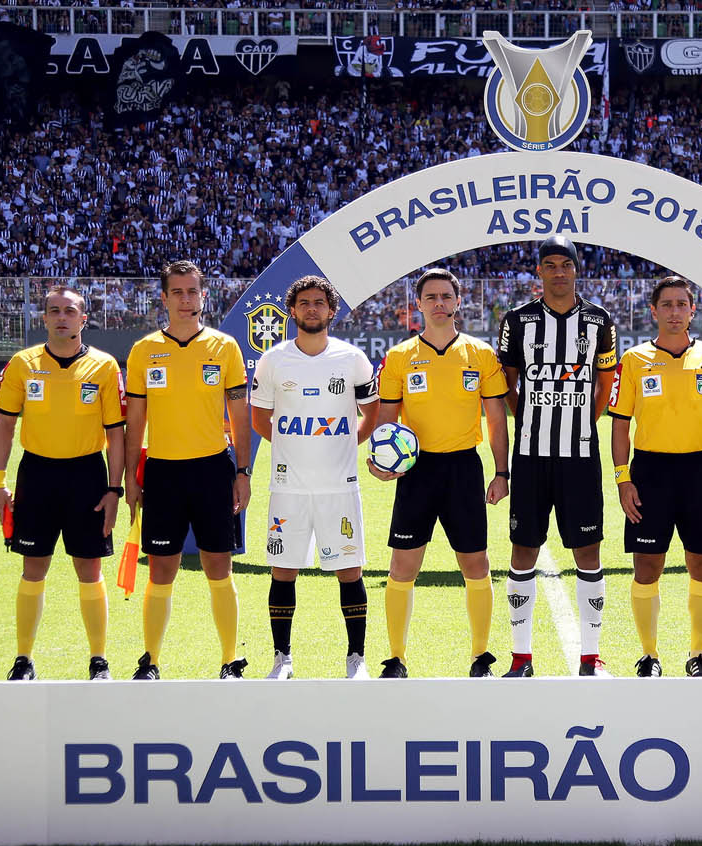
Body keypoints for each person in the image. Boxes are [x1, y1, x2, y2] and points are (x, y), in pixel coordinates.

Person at [369, 268, 510, 678]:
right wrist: (380, 460)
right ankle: (396, 657)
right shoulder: (398, 357)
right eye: (431, 297)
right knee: (402, 567)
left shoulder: (480, 354)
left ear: (458, 301)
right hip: (417, 470)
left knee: (475, 563)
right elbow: (386, 419)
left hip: (463, 467)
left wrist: (502, 472)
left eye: (446, 296)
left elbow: (496, 419)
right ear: (418, 304)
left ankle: (480, 656)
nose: (439, 303)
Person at [123, 260, 252, 680]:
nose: (184, 299)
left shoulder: (224, 347)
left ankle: (230, 660)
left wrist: (243, 472)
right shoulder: (144, 351)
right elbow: (135, 422)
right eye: (176, 292)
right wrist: (129, 475)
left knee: (219, 566)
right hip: (162, 472)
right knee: (162, 569)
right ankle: (151, 660)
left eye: (191, 291)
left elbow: (239, 414)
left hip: (214, 470)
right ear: (163, 298)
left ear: (203, 296)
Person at [497, 236, 618, 677]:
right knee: (522, 551)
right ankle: (521, 658)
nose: (558, 272)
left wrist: (583, 420)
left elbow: (605, 385)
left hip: (580, 456)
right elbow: (508, 385)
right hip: (530, 456)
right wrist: (528, 418)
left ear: (575, 269)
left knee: (588, 552)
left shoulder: (599, 320)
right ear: (539, 273)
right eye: (549, 265)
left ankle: (590, 656)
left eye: (565, 264)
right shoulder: (517, 320)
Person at [0, 286, 125, 680]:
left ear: (84, 319)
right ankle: (23, 659)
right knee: (34, 567)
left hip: (87, 475)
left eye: (70, 311)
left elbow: (116, 434)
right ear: (44, 318)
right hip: (37, 474)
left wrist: (113, 490)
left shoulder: (103, 367)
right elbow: (4, 427)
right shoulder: (22, 364)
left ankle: (98, 660)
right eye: (54, 311)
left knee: (89, 567)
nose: (62, 317)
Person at [249, 275, 379, 680]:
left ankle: (356, 658)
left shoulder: (352, 359)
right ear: (292, 310)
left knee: (350, 570)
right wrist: (292, 447)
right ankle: (281, 658)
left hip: (339, 487)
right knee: (283, 570)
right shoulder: (274, 360)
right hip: (288, 487)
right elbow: (258, 419)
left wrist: (344, 447)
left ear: (331, 310)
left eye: (319, 303)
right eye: (303, 302)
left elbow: (370, 414)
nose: (311, 309)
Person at [609, 276, 702, 678]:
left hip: (701, 470)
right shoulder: (634, 360)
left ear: (693, 310)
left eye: (682, 304)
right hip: (650, 472)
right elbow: (619, 426)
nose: (674, 311)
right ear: (653, 311)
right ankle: (649, 654)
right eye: (666, 305)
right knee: (648, 565)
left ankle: (697, 654)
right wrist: (622, 478)